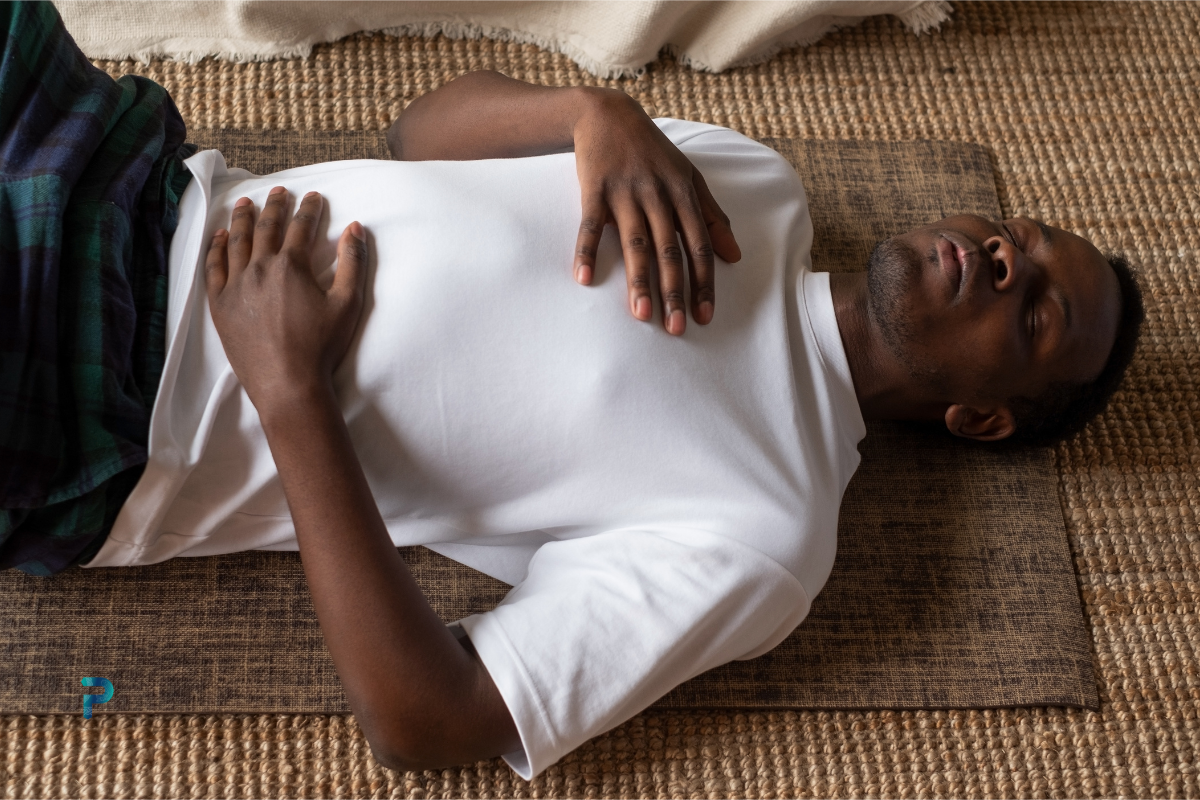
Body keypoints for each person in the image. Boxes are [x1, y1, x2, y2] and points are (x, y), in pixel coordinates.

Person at [1, 1, 1144, 779]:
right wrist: (594, 115)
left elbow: (431, 721)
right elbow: (415, 133)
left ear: (982, 416)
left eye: (1035, 306)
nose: (1003, 254)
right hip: (136, 175)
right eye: (1020, 235)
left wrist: (289, 384)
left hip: (121, 402)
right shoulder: (758, 185)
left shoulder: (768, 531)